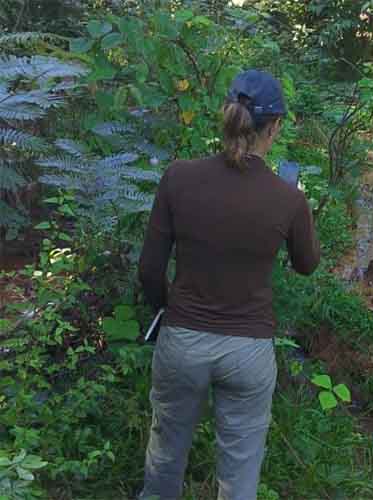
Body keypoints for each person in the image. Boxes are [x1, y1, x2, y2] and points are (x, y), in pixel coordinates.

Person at [138, 69, 320, 500]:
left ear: (225, 115)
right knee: (239, 477)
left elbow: (149, 269)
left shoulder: (178, 177)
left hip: (182, 340)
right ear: (274, 128)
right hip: (248, 351)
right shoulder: (287, 197)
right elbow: (306, 265)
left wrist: (170, 310)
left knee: (165, 457)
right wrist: (297, 210)